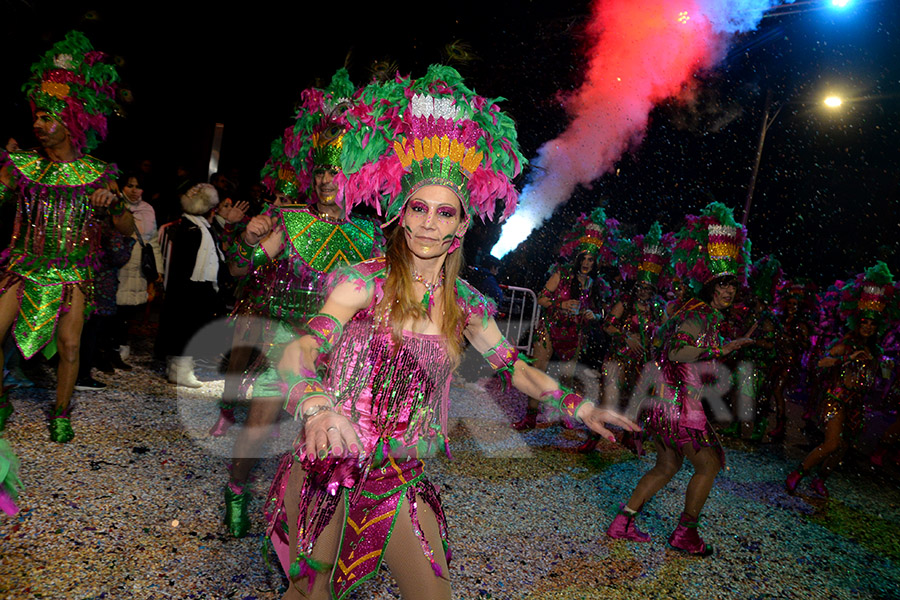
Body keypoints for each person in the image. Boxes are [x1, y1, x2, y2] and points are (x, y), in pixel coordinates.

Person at [265, 66, 639, 600]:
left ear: (462, 225)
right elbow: (301, 346)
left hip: (401, 478)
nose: (428, 223)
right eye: (418, 207)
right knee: (308, 591)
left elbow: (518, 370)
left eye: (445, 213)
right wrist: (316, 406)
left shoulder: (467, 307)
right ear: (399, 212)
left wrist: (580, 408)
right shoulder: (362, 283)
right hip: (332, 461)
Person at [215, 69, 384, 539]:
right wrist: (243, 239)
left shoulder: (370, 233)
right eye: (325, 169)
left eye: (340, 170)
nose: (330, 179)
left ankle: (306, 517)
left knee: (332, 433)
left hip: (341, 343)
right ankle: (236, 486)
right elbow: (238, 269)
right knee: (265, 415)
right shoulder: (289, 220)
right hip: (286, 336)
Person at [0, 31, 130, 442]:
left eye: (46, 117)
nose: (37, 124)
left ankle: (61, 411)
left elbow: (129, 229)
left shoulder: (97, 173)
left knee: (70, 347)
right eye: (36, 116)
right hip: (22, 268)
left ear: (70, 121)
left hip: (72, 274)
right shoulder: (20, 165)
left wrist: (114, 205)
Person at [606, 202, 753, 556]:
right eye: (722, 285)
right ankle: (686, 533)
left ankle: (623, 521)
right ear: (709, 288)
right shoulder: (699, 316)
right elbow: (675, 353)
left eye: (733, 286)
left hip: (666, 402)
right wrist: (721, 350)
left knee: (668, 464)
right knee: (709, 463)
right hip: (680, 406)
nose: (729, 292)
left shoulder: (699, 314)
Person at [786, 262, 897, 497]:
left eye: (872, 323)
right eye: (864, 322)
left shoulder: (876, 351)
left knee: (843, 448)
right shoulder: (846, 343)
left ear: (878, 326)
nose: (867, 326)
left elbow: (880, 377)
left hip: (856, 404)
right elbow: (821, 362)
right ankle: (798, 472)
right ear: (858, 322)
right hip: (835, 399)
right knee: (832, 443)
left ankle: (821, 479)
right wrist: (847, 358)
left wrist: (884, 367)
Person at [512, 207, 620, 431]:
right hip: (550, 328)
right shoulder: (561, 273)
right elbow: (542, 298)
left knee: (569, 376)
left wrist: (595, 315)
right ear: (578, 257)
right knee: (538, 370)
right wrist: (561, 304)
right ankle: (530, 417)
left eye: (591, 259)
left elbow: (603, 312)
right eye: (584, 258)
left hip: (576, 333)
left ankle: (565, 414)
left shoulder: (595, 285)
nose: (587, 263)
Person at [154, 183, 227, 387]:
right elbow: (186, 264)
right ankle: (181, 371)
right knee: (185, 328)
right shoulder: (191, 228)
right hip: (188, 288)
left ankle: (178, 369)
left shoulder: (197, 226)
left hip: (191, 287)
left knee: (186, 327)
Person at [114, 173, 164, 368]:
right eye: (130, 185)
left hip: (138, 266)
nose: (134, 190)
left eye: (138, 186)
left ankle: (122, 343)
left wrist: (158, 270)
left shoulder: (148, 209)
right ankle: (111, 346)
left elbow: (153, 242)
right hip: (119, 264)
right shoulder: (116, 205)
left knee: (130, 309)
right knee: (113, 308)